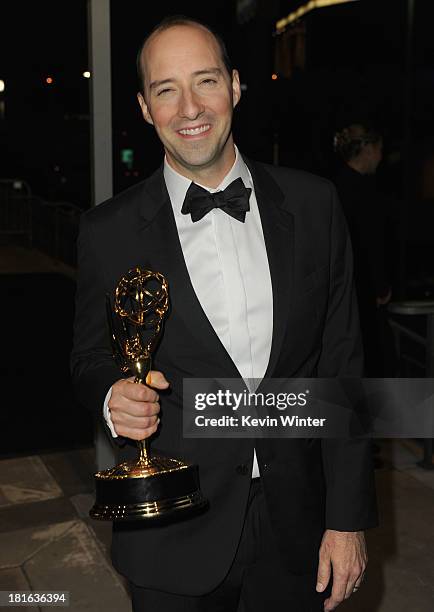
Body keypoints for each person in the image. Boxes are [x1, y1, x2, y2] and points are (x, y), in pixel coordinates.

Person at [71, 16, 377, 612]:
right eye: (166, 89)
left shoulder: (315, 205)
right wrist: (112, 396)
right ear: (144, 106)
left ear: (235, 86)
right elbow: (88, 357)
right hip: (170, 529)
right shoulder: (105, 232)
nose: (190, 106)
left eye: (205, 80)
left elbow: (343, 369)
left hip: (299, 524)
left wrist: (348, 519)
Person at [333, 123, 394, 375]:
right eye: (379, 149)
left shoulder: (335, 183)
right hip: (360, 290)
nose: (381, 156)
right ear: (367, 149)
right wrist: (379, 286)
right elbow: (367, 243)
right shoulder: (359, 191)